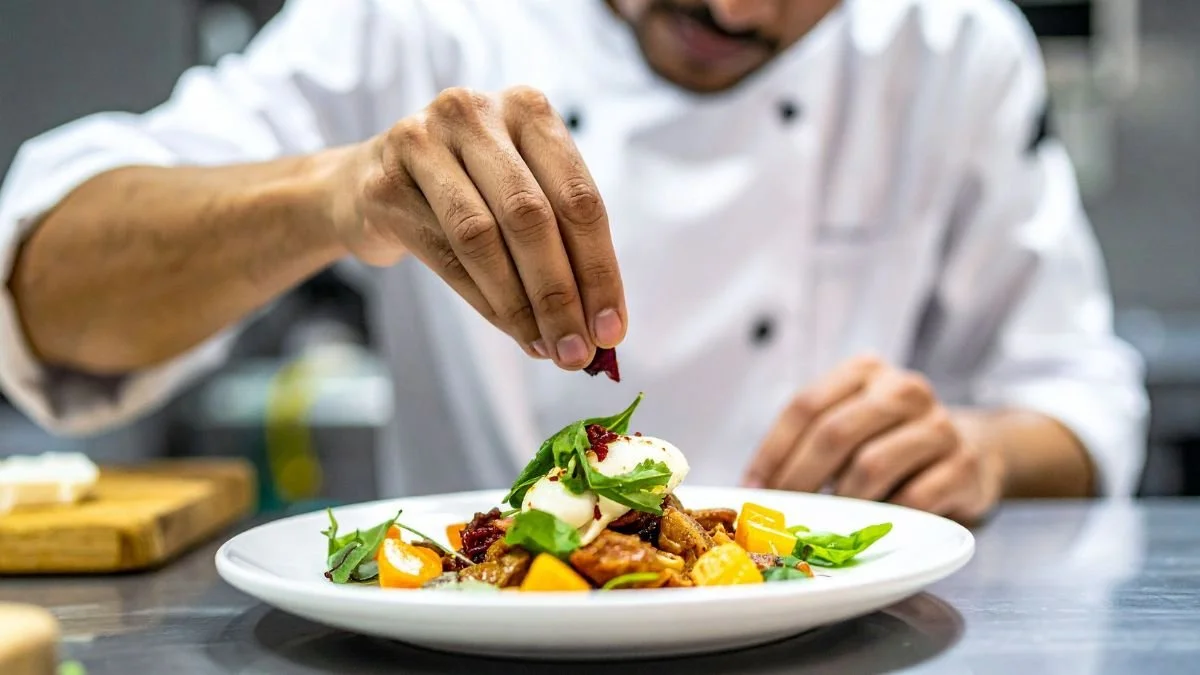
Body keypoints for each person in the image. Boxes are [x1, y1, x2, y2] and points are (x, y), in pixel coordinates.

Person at [0, 0, 1147, 522]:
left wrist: (975, 451)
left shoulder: (953, 48)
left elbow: (1081, 401)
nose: (734, 8)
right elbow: (44, 293)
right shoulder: (411, 19)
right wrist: (336, 194)